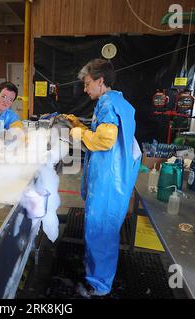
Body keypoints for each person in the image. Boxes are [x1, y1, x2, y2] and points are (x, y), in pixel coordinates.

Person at [66, 58, 141, 297]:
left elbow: (105, 140)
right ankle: (97, 274)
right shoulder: (117, 100)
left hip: (110, 178)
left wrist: (78, 133)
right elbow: (105, 132)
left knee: (101, 228)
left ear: (100, 81)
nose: (86, 89)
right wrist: (80, 124)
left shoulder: (107, 103)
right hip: (115, 174)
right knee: (103, 228)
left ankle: (99, 285)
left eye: (88, 84)